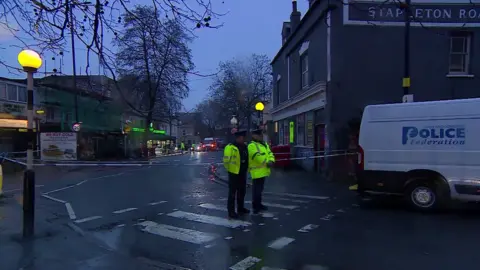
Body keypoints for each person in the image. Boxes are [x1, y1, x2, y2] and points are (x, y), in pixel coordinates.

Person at [223, 130, 250, 219]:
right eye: (242, 138)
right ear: (238, 138)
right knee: (232, 193)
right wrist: (230, 170)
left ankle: (240, 208)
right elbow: (226, 161)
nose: (244, 139)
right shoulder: (230, 147)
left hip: (242, 172)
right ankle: (231, 211)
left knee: (242, 192)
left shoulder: (245, 147)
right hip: (234, 173)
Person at [248, 128, 275, 214]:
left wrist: (271, 160)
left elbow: (270, 153)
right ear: (254, 136)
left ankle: (259, 204)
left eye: (262, 135)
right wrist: (267, 162)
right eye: (259, 135)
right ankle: (255, 206)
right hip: (256, 172)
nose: (261, 136)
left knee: (260, 189)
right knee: (257, 190)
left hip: (263, 171)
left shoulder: (264, 144)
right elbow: (256, 156)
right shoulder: (251, 146)